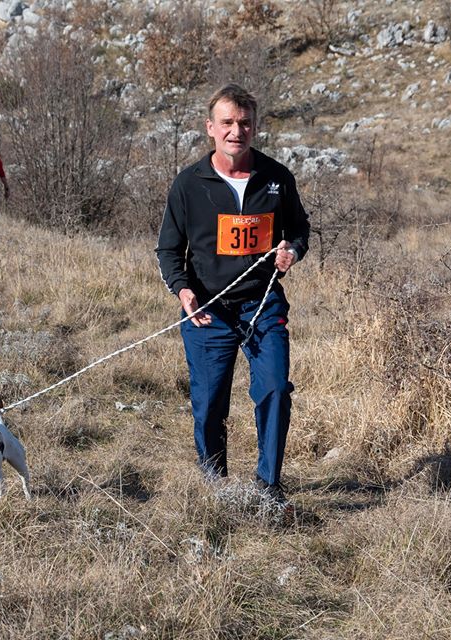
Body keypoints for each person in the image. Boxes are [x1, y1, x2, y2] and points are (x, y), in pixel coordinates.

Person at [155, 84, 310, 503]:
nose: (235, 131)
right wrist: (183, 291)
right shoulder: (189, 184)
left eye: (244, 123)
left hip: (262, 304)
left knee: (275, 388)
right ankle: (214, 485)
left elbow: (299, 230)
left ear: (255, 128)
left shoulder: (277, 178)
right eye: (227, 123)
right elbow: (168, 250)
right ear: (211, 128)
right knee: (208, 405)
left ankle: (268, 486)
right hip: (207, 311)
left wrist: (291, 250)